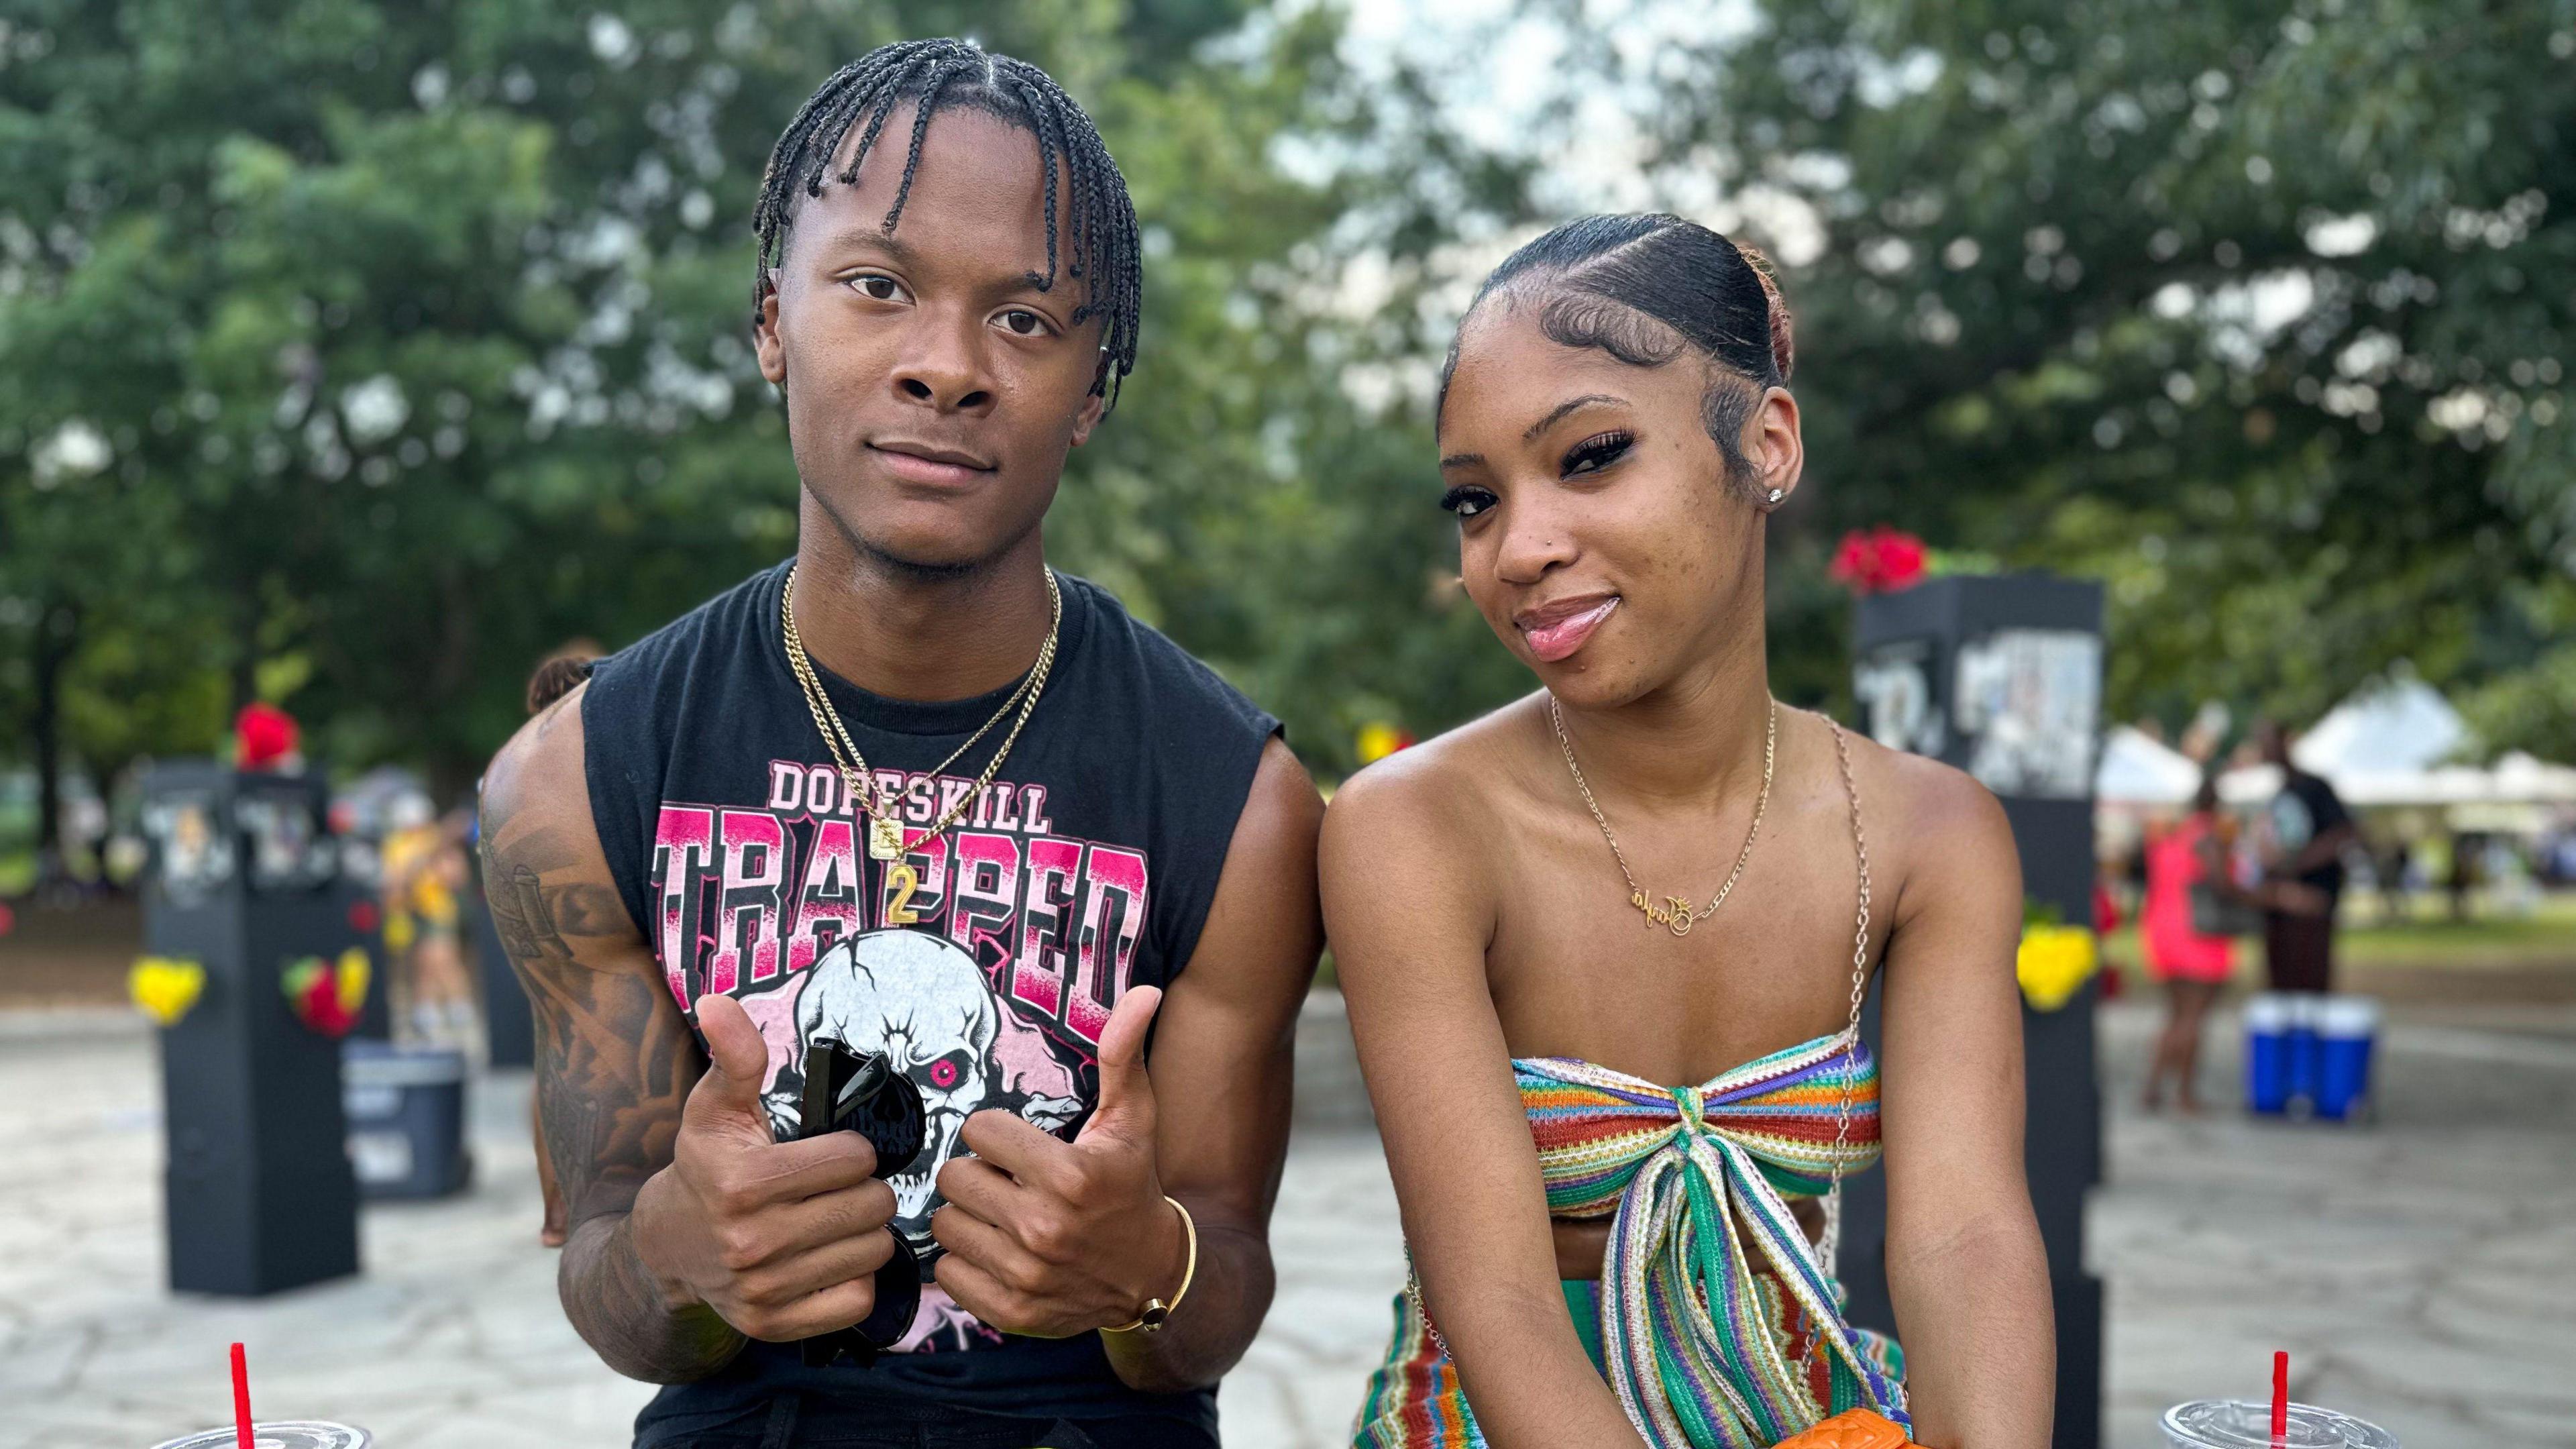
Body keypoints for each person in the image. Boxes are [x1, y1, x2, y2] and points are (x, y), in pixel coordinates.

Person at [478, 39, 1326, 1449]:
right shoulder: (565, 780)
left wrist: (1145, 1271)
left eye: (1030, 321)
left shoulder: (1240, 800)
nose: (947, 368)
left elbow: (1219, 1284)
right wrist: (681, 1258)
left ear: (1095, 392)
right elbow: (610, 1280)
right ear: (771, 325)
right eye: (878, 287)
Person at [1325, 215, 2053, 1449]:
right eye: (1474, 501)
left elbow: (1965, 1237)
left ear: (1766, 443)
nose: (1523, 546)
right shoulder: (1419, 829)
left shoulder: (1928, 834)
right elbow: (1494, 1296)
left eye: (1592, 455)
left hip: (1811, 1413)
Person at [2137, 777, 2235, 1113]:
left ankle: (2154, 1088)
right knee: (2193, 1018)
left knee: (2177, 1015)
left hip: (2162, 931)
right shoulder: (2209, 838)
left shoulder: (2175, 836)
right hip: (2196, 936)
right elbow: (2222, 883)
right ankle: (2184, 1093)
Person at [2254, 722, 2355, 994]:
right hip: (2281, 903)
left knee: (2310, 976)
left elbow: (2342, 833)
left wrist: (2297, 865)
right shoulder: (2279, 793)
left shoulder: (2314, 787)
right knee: (2282, 978)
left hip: (2313, 898)